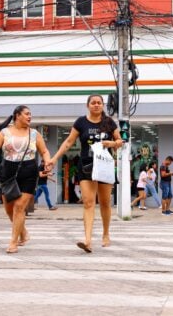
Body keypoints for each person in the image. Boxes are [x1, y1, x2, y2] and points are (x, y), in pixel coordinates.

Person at [48, 94, 123, 253]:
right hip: (86, 165)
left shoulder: (109, 122)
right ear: (87, 105)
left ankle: (106, 234)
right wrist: (54, 159)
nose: (96, 105)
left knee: (104, 202)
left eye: (99, 103)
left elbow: (120, 141)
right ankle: (88, 240)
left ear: (103, 105)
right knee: (88, 202)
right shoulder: (81, 122)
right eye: (93, 103)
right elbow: (68, 142)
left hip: (104, 166)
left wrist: (112, 143)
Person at [0, 105, 51, 254]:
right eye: (26, 114)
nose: (30, 116)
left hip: (29, 171)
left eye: (30, 114)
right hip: (8, 171)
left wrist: (47, 162)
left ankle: (13, 242)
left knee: (19, 207)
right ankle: (23, 232)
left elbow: (44, 150)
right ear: (17, 115)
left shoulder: (34, 133)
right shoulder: (5, 132)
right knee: (9, 209)